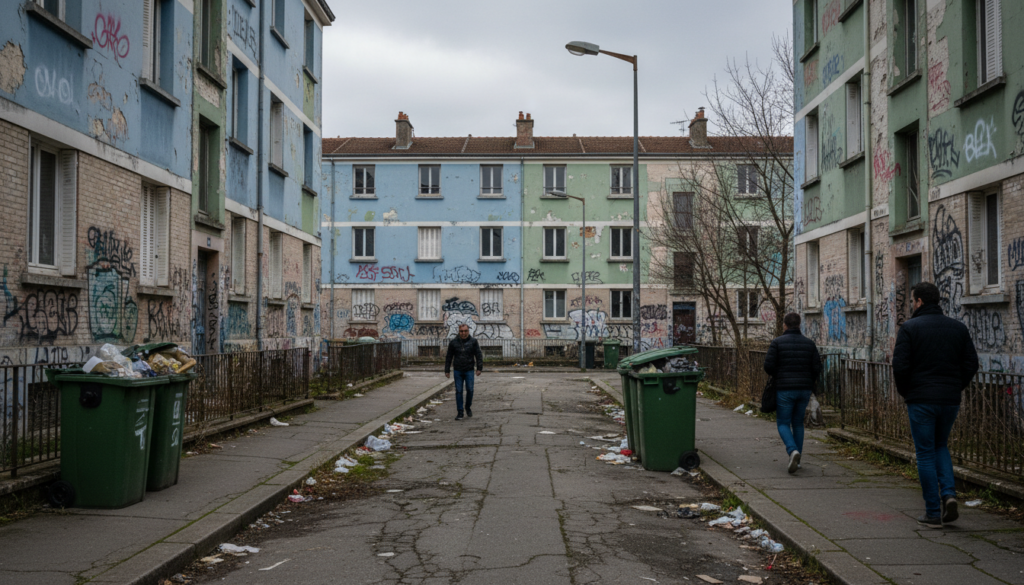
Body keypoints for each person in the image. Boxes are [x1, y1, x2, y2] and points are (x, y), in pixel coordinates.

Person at [893, 281, 978, 529]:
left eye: (912, 301)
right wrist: (955, 387)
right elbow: (971, 364)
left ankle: (932, 512)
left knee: (925, 453)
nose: (911, 305)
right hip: (949, 399)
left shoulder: (909, 328)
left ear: (919, 301)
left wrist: (907, 392)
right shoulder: (957, 328)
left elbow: (900, 366)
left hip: (921, 400)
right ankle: (949, 495)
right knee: (941, 445)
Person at [763, 312, 822, 474]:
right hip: (804, 390)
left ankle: (792, 451)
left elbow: (768, 366)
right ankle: (798, 459)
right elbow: (817, 367)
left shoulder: (777, 343)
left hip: (784, 389)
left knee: (783, 423)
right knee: (798, 423)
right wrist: (808, 381)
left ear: (785, 325)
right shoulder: (809, 344)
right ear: (799, 324)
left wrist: (780, 374)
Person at [445, 324, 483, 421]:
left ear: (468, 331)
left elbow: (478, 355)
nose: (463, 333)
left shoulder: (473, 342)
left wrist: (479, 368)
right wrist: (447, 370)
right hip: (458, 370)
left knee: (470, 390)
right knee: (459, 391)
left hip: (469, 369)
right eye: (461, 331)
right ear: (459, 331)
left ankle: (467, 407)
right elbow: (449, 357)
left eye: (465, 331)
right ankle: (460, 412)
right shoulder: (453, 343)